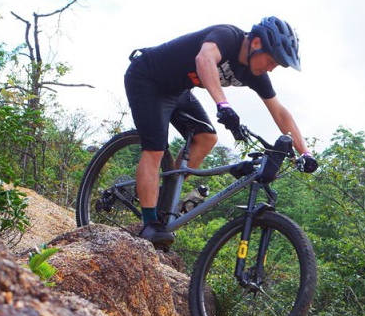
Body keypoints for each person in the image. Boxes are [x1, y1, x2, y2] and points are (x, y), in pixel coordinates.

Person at [124, 16, 318, 247]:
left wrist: (305, 153)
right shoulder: (228, 36)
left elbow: (280, 112)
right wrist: (223, 105)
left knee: (207, 138)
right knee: (155, 149)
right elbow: (204, 58)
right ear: (256, 43)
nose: (271, 68)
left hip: (177, 91)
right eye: (272, 61)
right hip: (147, 77)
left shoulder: (254, 74)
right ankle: (149, 225)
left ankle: (163, 197)